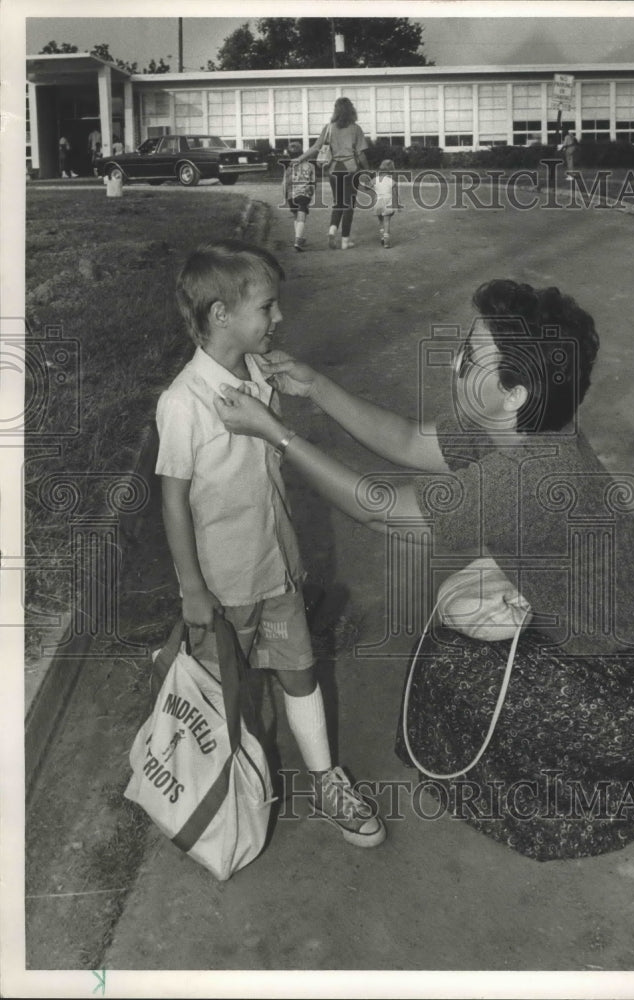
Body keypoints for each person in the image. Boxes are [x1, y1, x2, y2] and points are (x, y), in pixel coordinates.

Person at [213, 278, 634, 862]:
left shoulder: (528, 479)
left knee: (450, 672)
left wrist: (274, 433)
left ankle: (578, 793)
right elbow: (404, 439)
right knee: (458, 636)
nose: (455, 363)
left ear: (515, 392)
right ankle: (587, 757)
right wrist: (314, 385)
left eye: (471, 358)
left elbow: (373, 510)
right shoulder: (524, 429)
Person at [155, 238, 386, 849]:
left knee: (299, 673)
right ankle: (214, 789)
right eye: (268, 307)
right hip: (223, 586)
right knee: (226, 694)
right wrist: (193, 591)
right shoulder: (183, 404)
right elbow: (173, 500)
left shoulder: (259, 372)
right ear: (220, 316)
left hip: (276, 567)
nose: (278, 319)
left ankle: (324, 779)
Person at [294, 97, 370, 250]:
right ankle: (345, 241)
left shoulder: (328, 128)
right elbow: (361, 154)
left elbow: (316, 148)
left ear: (336, 110)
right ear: (351, 110)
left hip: (334, 170)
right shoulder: (356, 129)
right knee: (349, 205)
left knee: (338, 203)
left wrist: (299, 158)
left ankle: (332, 229)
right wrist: (367, 170)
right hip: (350, 169)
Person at [280, 141, 315, 252]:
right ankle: (297, 240)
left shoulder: (289, 167)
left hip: (291, 195)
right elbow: (313, 181)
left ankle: (299, 237)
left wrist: (285, 196)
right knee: (302, 215)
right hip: (304, 193)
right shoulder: (310, 165)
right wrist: (312, 193)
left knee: (296, 215)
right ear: (302, 153)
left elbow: (284, 183)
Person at [372, 158, 400, 249]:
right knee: (387, 221)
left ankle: (382, 236)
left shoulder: (375, 180)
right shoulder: (392, 182)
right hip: (388, 202)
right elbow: (395, 194)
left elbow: (367, 186)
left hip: (378, 202)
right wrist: (397, 206)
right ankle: (386, 241)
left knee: (380, 220)